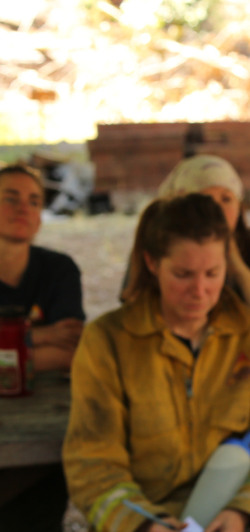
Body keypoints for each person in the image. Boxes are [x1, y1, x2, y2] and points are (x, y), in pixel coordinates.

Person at [64, 192, 250, 532]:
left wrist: (245, 513)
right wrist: (146, 524)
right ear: (152, 263)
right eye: (183, 274)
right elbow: (93, 464)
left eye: (213, 273)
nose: (200, 290)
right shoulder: (106, 342)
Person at [123, 155, 250, 345]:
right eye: (183, 273)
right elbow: (132, 329)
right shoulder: (157, 250)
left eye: (227, 199)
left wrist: (240, 271)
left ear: (239, 207)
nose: (218, 209)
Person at [0, 162, 85, 532]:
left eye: (34, 201)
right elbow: (57, 344)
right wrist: (41, 335)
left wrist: (9, 346)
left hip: (47, 418)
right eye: (10, 198)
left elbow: (71, 351)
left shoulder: (60, 270)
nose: (24, 208)